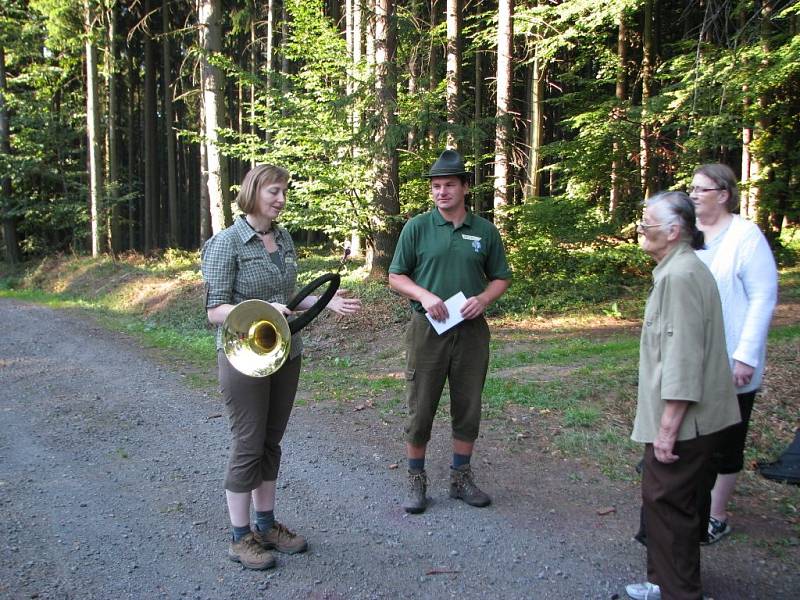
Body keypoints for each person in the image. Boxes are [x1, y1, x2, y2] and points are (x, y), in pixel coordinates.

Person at [201, 164, 361, 570]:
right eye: (274, 191)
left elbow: (287, 295)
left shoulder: (283, 238)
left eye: (285, 193)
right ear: (254, 191)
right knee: (248, 443)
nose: (281, 200)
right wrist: (258, 310)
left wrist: (325, 302)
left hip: (285, 352)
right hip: (242, 356)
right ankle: (240, 538)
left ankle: (267, 525)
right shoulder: (227, 243)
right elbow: (215, 311)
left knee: (271, 442)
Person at [625, 191, 740, 600]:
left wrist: (668, 427)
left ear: (674, 231)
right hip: (686, 419)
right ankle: (664, 582)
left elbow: (684, 357)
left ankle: (679, 593)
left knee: (670, 506)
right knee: (670, 505)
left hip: (687, 423)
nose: (641, 227)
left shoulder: (680, 276)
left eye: (648, 222)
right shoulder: (676, 270)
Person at [388, 150, 511, 514]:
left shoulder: (485, 231)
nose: (442, 192)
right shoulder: (417, 227)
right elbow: (395, 276)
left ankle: (460, 478)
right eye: (436, 186)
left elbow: (501, 277)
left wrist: (484, 299)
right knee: (421, 404)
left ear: (465, 187)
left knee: (468, 404)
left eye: (449, 185)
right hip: (428, 330)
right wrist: (424, 295)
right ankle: (416, 480)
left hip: (471, 331)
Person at [689, 163, 778, 544]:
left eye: (701, 189)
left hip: (731, 359)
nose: (692, 194)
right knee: (691, 433)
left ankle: (717, 514)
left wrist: (746, 356)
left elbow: (763, 298)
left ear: (723, 194)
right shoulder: (689, 235)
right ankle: (689, 502)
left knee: (728, 439)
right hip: (691, 356)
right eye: (690, 188)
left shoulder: (745, 236)